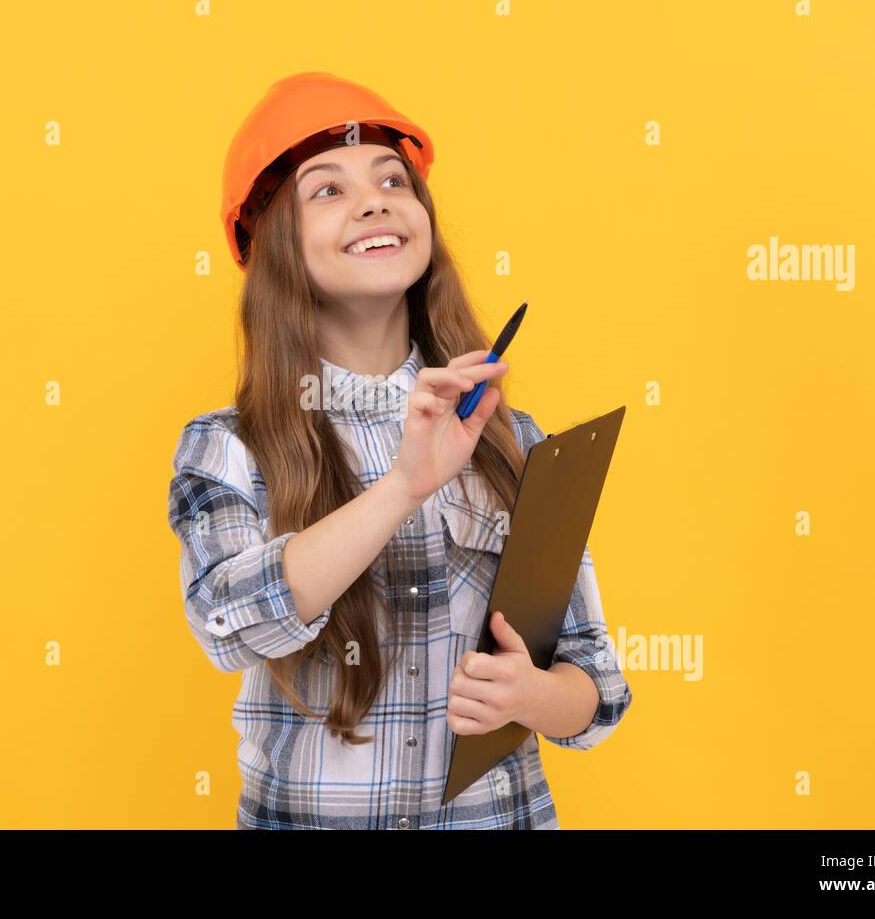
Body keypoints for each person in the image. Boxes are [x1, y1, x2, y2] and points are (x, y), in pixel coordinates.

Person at [167, 72, 631, 829]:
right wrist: (403, 487)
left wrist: (534, 697)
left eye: (393, 180)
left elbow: (597, 680)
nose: (376, 199)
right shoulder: (227, 446)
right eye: (328, 190)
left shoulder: (514, 441)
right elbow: (229, 626)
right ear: (274, 242)